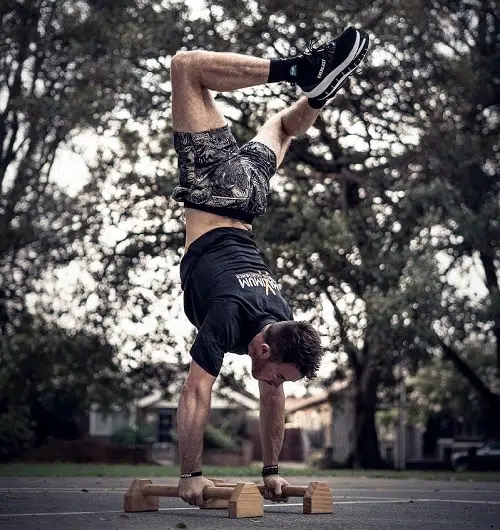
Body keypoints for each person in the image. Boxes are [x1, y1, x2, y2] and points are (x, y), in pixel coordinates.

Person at [170, 26, 370, 507]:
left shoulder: (279, 317)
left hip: (250, 195)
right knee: (185, 68)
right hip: (217, 191)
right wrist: (190, 474)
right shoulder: (229, 314)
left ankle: (317, 95)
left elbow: (274, 398)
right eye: (277, 373)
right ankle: (297, 70)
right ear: (262, 348)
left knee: (283, 127)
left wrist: (272, 471)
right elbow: (197, 391)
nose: (275, 385)